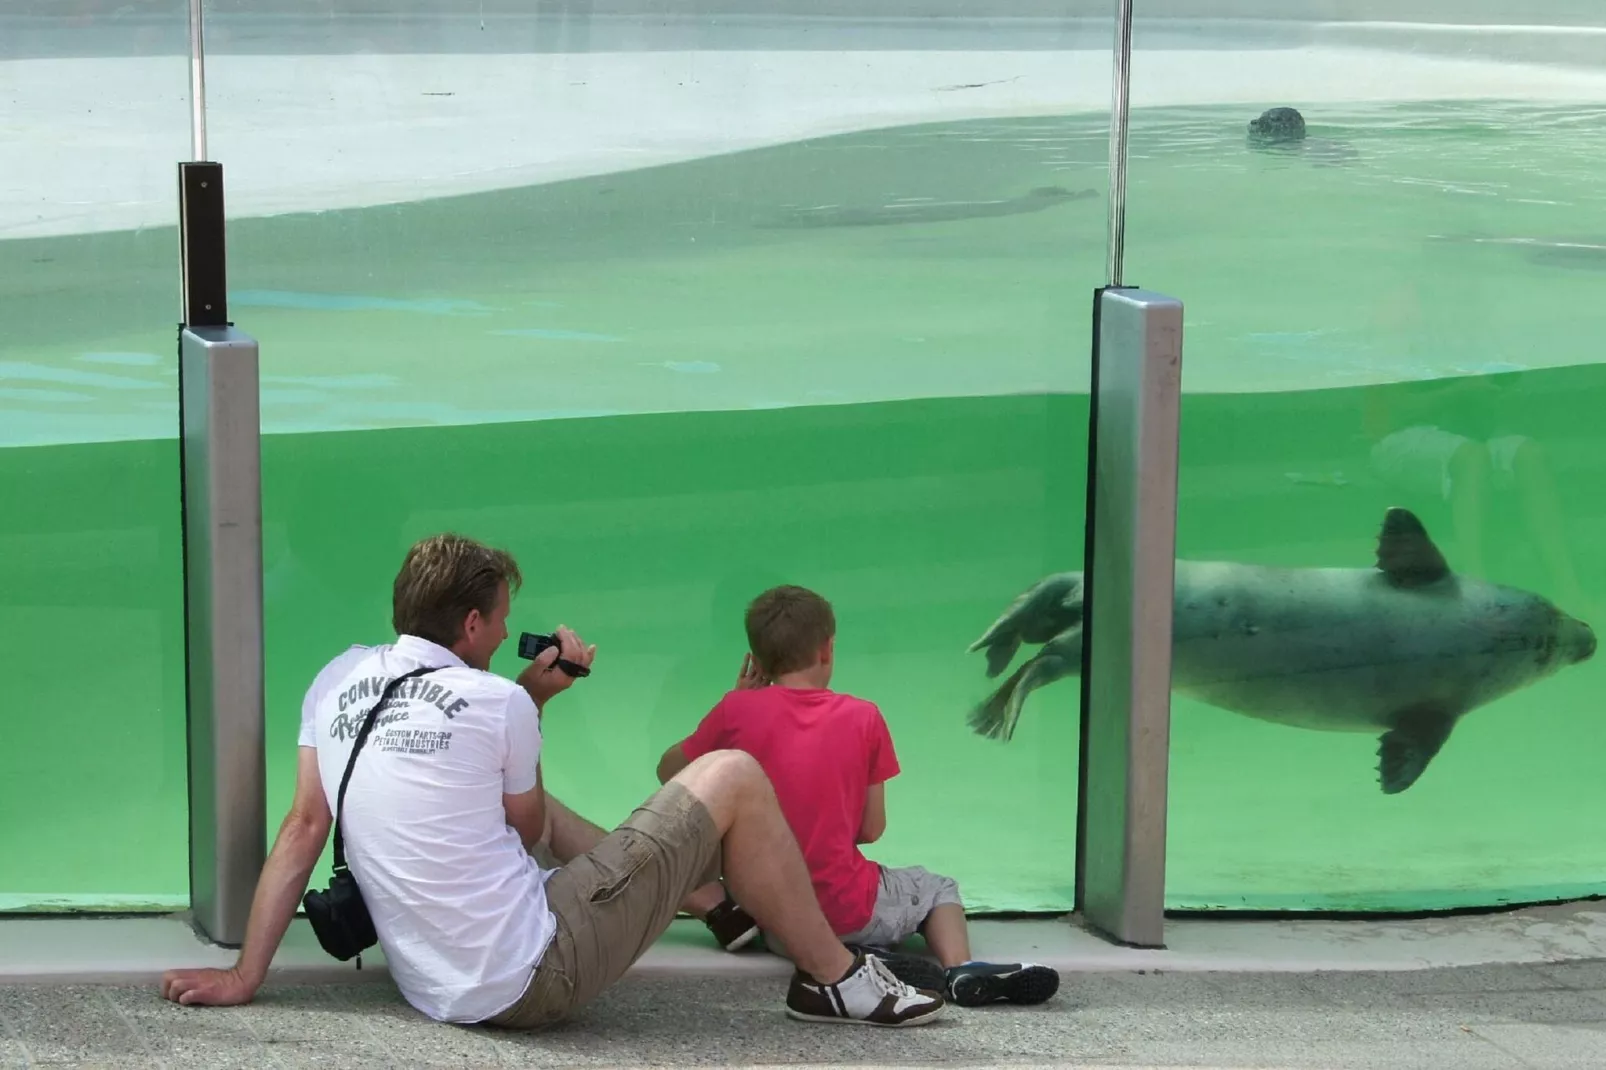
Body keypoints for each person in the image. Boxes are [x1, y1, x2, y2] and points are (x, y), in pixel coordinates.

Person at [159, 535, 945, 1029]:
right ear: (470, 626)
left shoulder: (338, 679)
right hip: (533, 973)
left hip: (429, 982)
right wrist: (528, 701)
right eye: (501, 619)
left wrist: (243, 975)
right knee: (732, 774)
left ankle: (717, 903)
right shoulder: (497, 698)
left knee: (536, 809)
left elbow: (303, 829)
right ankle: (836, 978)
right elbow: (528, 829)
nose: (507, 633)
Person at [655, 584, 1061, 1008]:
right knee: (937, 888)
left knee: (678, 834)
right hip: (851, 910)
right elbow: (871, 829)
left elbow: (670, 772)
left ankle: (851, 961)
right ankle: (959, 970)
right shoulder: (863, 717)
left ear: (756, 660)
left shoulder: (735, 711)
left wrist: (737, 704)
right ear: (827, 649)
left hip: (772, 920)